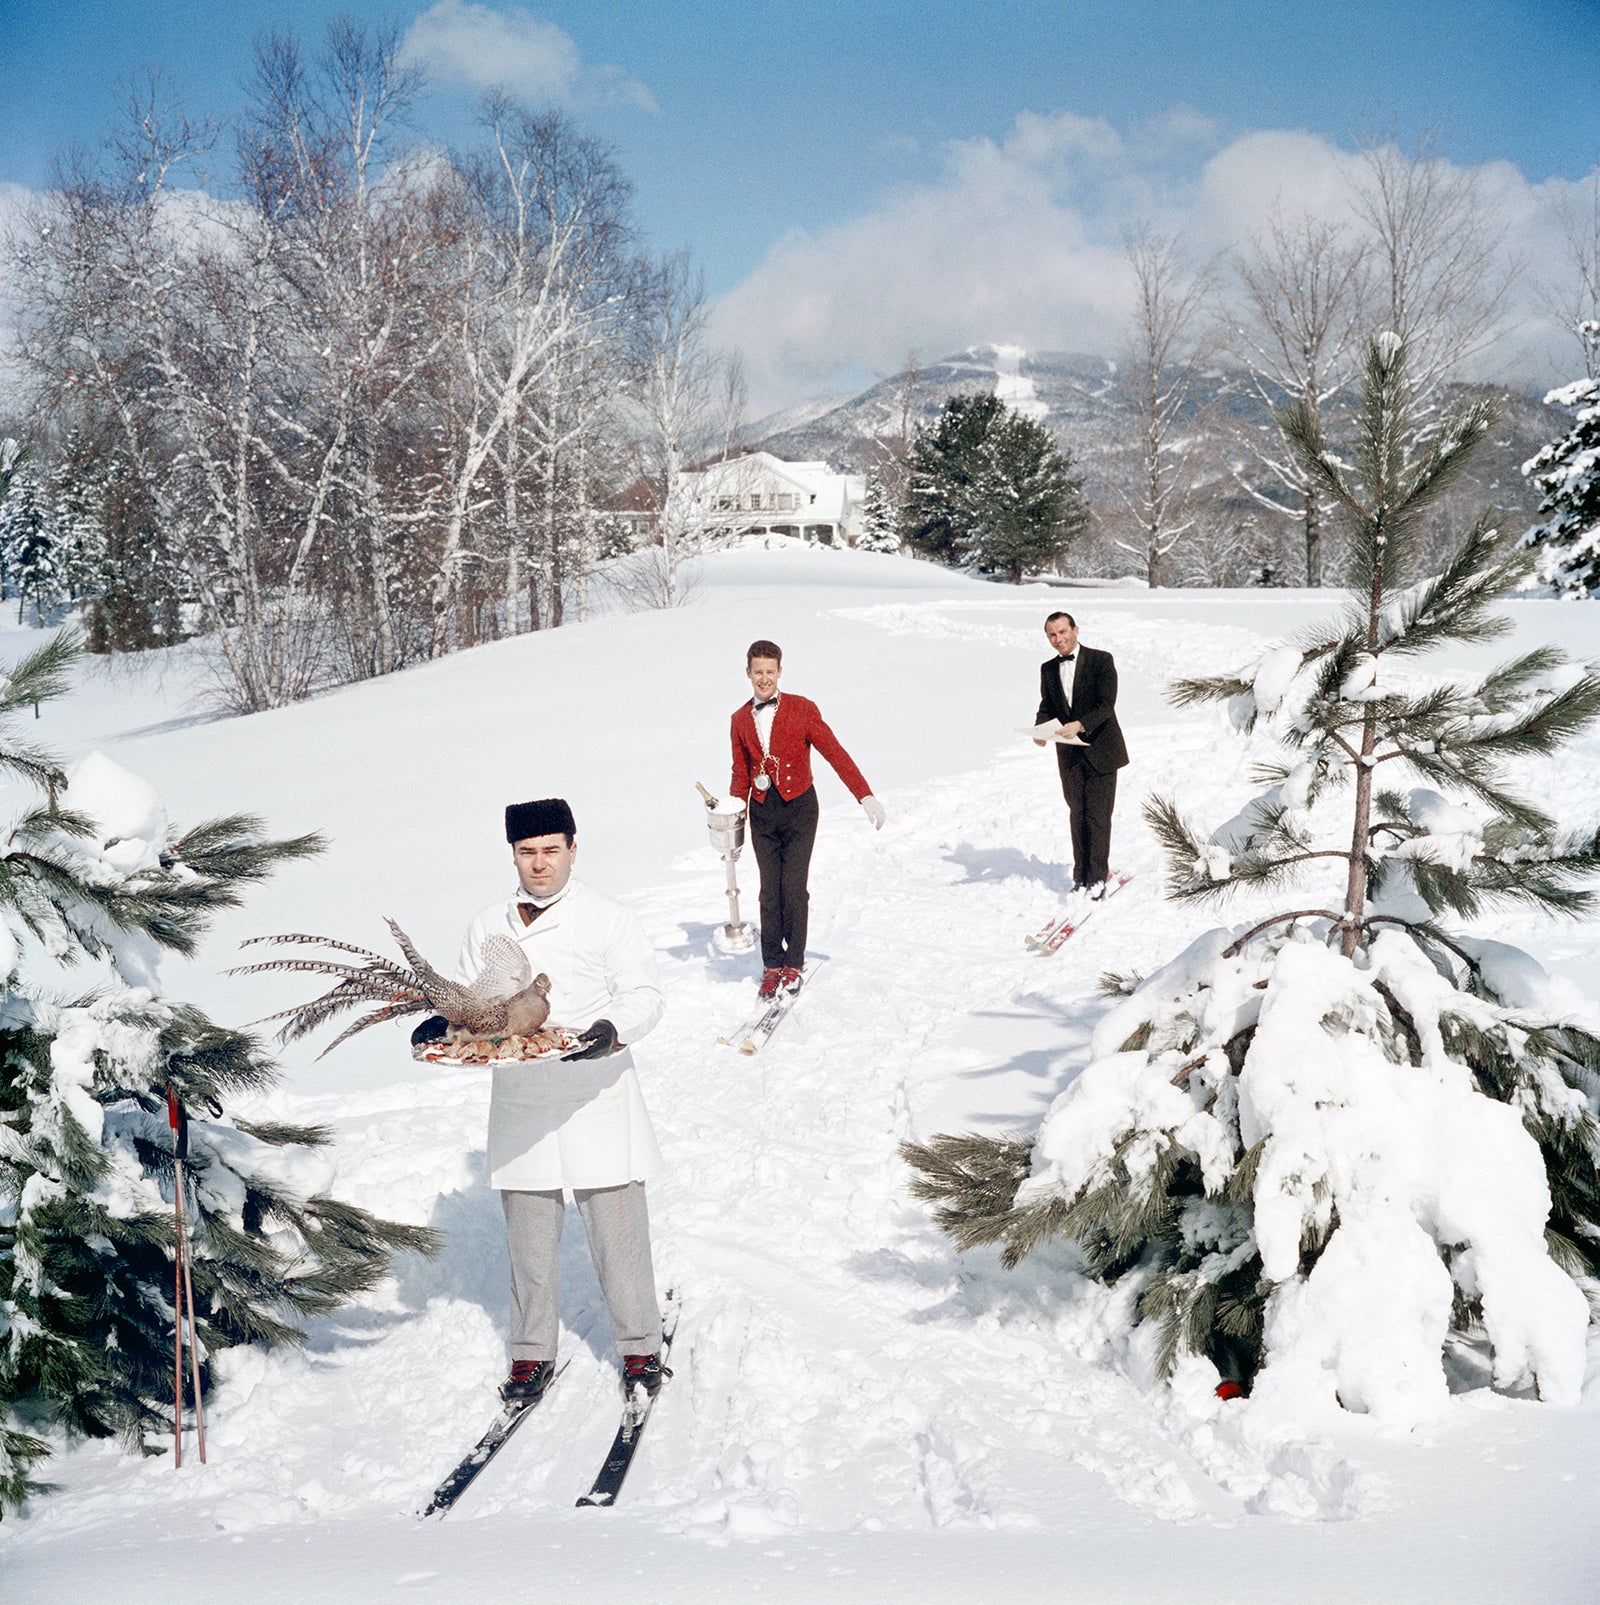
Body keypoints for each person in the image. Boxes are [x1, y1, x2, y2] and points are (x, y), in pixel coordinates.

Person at [416, 797, 667, 1406]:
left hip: (594, 1089)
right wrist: (441, 1024)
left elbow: (646, 993)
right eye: (528, 853)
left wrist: (612, 1030)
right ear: (513, 855)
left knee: (616, 1228)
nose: (540, 864)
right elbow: (475, 1005)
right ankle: (531, 1354)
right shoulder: (486, 924)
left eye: (551, 850)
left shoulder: (609, 917)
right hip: (523, 1095)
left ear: (573, 849)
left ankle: (638, 1344)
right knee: (528, 1236)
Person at [728, 639, 885, 999]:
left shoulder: (802, 709)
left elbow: (834, 752)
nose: (764, 679)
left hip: (800, 809)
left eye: (770, 672)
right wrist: (734, 815)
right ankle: (771, 964)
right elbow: (740, 773)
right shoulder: (739, 720)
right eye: (758, 672)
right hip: (762, 812)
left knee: (793, 889)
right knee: (769, 892)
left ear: (780, 672)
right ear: (748, 673)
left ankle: (794, 962)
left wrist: (864, 795)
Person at [1033, 611, 1128, 894]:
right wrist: (1040, 731)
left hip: (1101, 750)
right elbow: (1047, 705)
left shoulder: (1101, 660)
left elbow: (1106, 704)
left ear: (1075, 630)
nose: (1058, 639)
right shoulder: (1048, 669)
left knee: (1097, 815)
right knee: (1077, 813)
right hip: (1069, 754)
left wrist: (1081, 724)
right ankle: (1080, 875)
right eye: (1052, 634)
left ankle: (1098, 878)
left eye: (1062, 631)